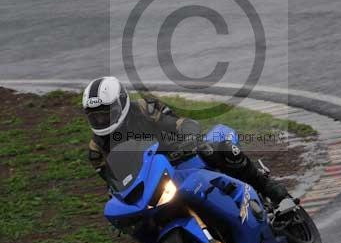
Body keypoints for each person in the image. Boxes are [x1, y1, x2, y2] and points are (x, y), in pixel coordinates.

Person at [82, 76, 288, 205]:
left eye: (106, 113)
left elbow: (175, 122)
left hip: (179, 155)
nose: (102, 119)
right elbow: (113, 183)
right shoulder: (96, 150)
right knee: (123, 210)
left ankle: (264, 185)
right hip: (150, 180)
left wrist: (187, 131)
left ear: (122, 103)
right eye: (96, 116)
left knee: (217, 145)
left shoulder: (145, 108)